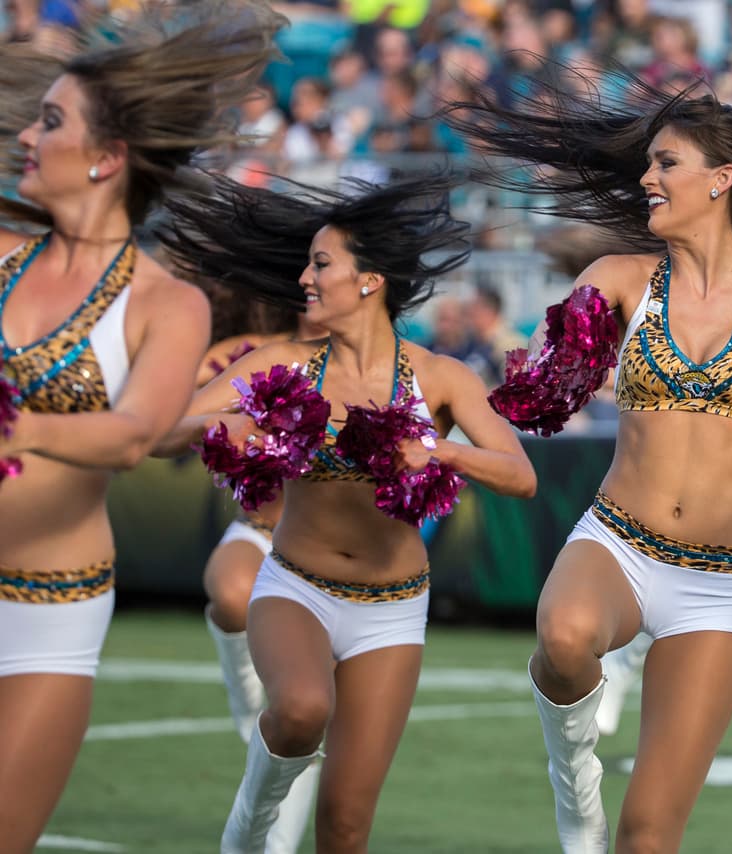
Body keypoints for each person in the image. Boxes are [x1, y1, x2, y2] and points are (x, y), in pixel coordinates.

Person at [443, 68, 732, 853]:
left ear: (722, 180)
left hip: (719, 583)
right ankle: (573, 770)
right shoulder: (617, 280)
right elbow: (538, 392)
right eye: (647, 164)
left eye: (666, 163)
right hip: (620, 540)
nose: (647, 179)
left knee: (649, 836)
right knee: (568, 632)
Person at [155, 173, 536, 852]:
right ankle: (249, 827)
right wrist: (221, 420)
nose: (305, 278)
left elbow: (519, 475)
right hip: (297, 587)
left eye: (321, 263)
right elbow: (157, 435)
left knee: (346, 825)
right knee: (300, 710)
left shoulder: (441, 377)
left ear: (370, 280)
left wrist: (442, 451)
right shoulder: (282, 364)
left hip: (392, 610)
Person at [0, 3, 282, 850]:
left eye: (50, 122)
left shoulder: (166, 303)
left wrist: (19, 433)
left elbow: (130, 435)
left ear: (107, 159)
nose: (25, 138)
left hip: (48, 611)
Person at [197, 295, 328, 854]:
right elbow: (180, 415)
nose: (311, 284)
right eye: (306, 269)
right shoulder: (252, 355)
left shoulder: (385, 365)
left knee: (308, 723)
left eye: (323, 268)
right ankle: (249, 705)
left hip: (335, 559)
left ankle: (274, 845)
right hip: (261, 529)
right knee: (230, 593)